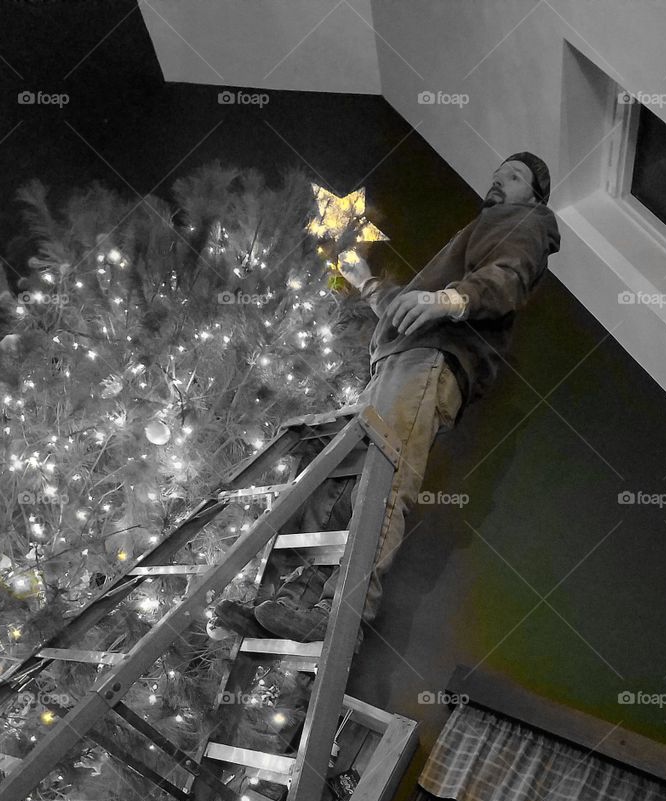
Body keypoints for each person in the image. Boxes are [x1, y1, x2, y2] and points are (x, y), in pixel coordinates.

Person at [215, 153, 561, 642]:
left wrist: (450, 300)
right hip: (398, 364)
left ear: (536, 195)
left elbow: (510, 275)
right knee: (339, 492)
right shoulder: (478, 232)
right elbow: (403, 310)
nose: (499, 180)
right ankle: (295, 600)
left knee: (384, 481)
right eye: (497, 172)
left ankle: (345, 613)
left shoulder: (524, 223)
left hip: (429, 362)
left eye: (514, 175)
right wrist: (367, 281)